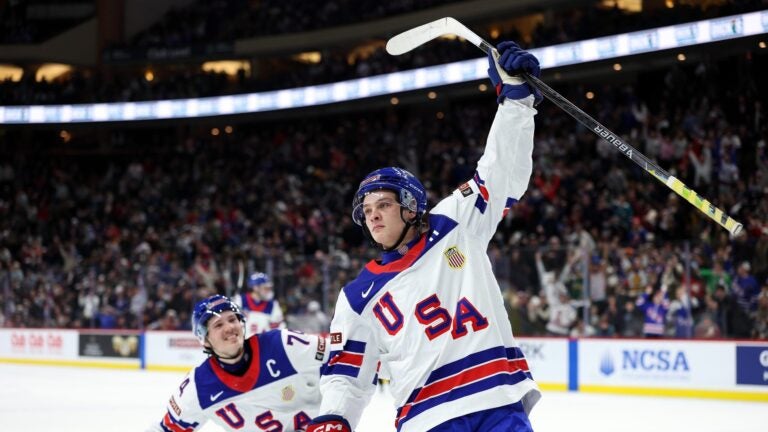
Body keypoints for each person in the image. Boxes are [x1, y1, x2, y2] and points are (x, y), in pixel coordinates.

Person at [307, 41, 542, 432]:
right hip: (426, 417)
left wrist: (516, 102)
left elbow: (501, 171)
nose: (373, 215)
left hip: (495, 397)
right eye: (366, 211)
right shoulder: (356, 296)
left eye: (382, 204)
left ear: (411, 205)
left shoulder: (454, 222)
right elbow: (345, 373)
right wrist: (334, 417)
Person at [148, 294, 327, 432]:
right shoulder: (198, 387)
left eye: (233, 319)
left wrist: (338, 415)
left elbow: (343, 360)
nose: (229, 328)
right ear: (205, 340)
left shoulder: (283, 344)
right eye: (218, 325)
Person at [237, 272, 286, 336]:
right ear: (256, 288)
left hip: (263, 344)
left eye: (269, 288)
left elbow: (279, 330)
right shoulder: (239, 301)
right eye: (265, 288)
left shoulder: (273, 305)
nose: (269, 291)